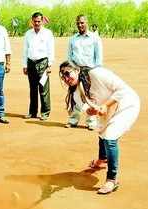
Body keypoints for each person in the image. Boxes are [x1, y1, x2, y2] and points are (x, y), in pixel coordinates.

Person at [59, 61, 140, 194]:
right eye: (63, 76)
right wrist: (94, 111)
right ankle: (102, 159)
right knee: (102, 130)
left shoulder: (97, 73)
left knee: (109, 136)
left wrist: (106, 105)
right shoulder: (76, 92)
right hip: (109, 110)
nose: (66, 78)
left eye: (68, 73)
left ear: (77, 70)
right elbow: (87, 109)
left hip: (127, 104)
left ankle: (111, 180)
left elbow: (123, 90)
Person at [66, 15, 103, 128]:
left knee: (90, 97)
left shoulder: (94, 38)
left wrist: (95, 72)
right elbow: (69, 56)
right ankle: (73, 120)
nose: (80, 25)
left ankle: (91, 122)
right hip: (76, 71)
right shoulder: (73, 39)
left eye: (82, 23)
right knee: (76, 96)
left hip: (90, 71)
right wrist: (74, 69)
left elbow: (99, 58)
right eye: (78, 23)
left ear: (86, 23)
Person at [22, 12, 54, 121]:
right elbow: (25, 50)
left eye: (39, 21)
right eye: (35, 21)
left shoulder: (47, 33)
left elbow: (51, 50)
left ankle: (45, 112)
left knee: (43, 88)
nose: (37, 23)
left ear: (42, 21)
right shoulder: (28, 34)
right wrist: (24, 65)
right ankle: (32, 112)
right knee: (33, 89)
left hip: (43, 63)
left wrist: (49, 65)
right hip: (31, 63)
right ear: (32, 21)